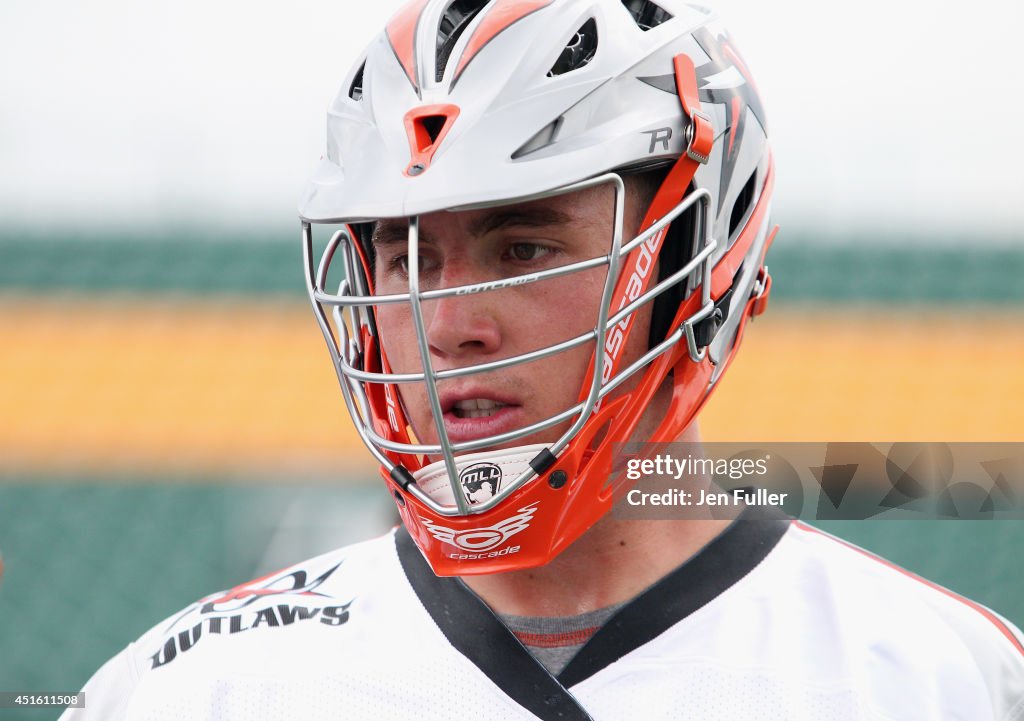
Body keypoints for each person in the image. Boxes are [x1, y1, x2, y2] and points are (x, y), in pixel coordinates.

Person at [64, 1, 1024, 719]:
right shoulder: (192, 688)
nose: (447, 324)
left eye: (523, 247)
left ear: (699, 261)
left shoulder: (946, 681)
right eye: (405, 256)